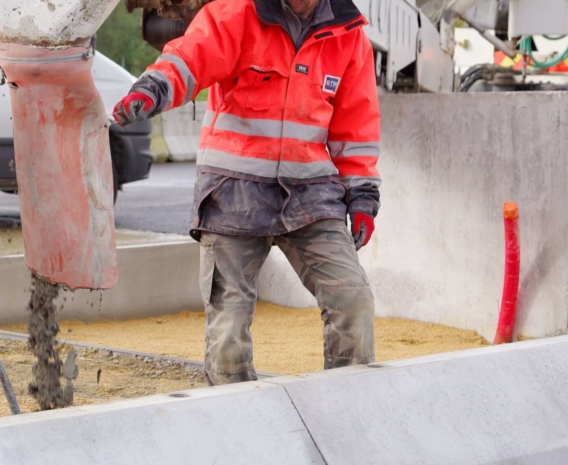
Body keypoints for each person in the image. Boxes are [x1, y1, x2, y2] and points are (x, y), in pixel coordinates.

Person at [112, 0, 381, 385]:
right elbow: (190, 58)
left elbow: (356, 128)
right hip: (232, 191)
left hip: (309, 195)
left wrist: (363, 197)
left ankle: (347, 409)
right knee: (228, 333)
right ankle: (234, 426)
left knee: (352, 301)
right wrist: (153, 89)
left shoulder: (350, 35)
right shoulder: (238, 12)